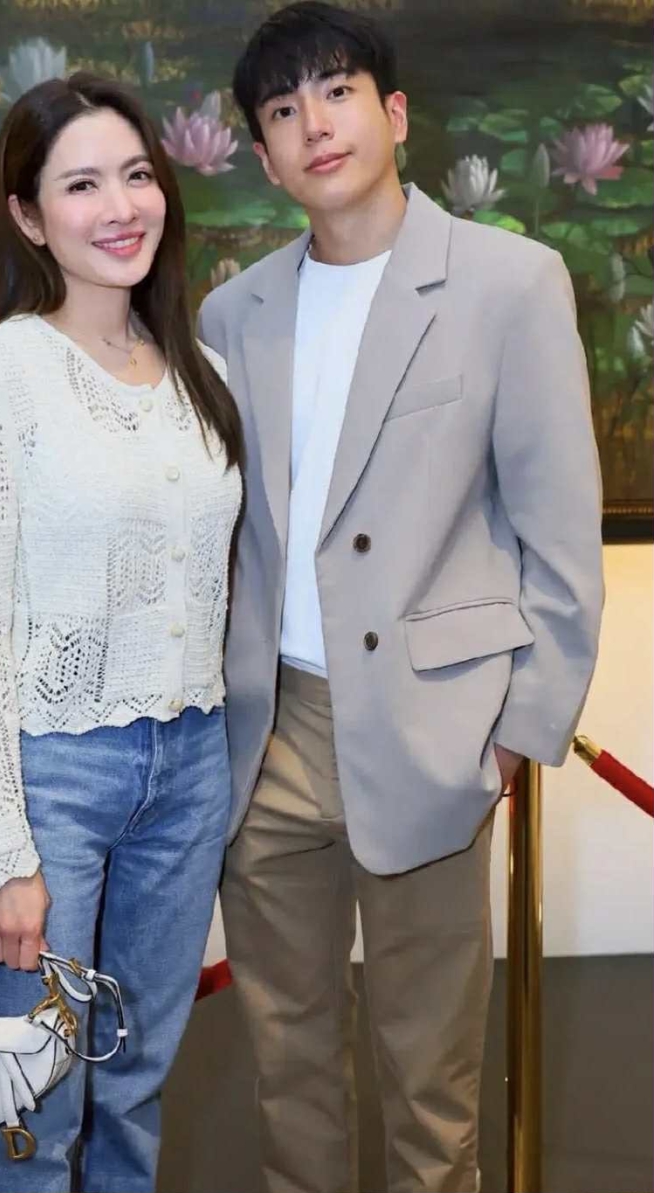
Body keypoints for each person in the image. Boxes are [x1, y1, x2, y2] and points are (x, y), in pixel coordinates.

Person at [198, 4, 604, 1191]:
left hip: (433, 728)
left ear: (394, 113)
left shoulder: (509, 283)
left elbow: (557, 533)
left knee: (432, 1091)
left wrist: (518, 727)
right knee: (289, 1076)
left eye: (336, 92)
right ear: (263, 157)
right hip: (268, 732)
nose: (314, 124)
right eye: (283, 110)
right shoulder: (231, 312)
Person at [0, 72, 242, 1193]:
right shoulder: (0, 376)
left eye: (136, 174)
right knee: (29, 1100)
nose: (120, 206)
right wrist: (2, 853)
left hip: (190, 766)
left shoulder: (202, 373)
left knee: (135, 1085)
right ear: (28, 215)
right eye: (80, 185)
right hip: (51, 774)